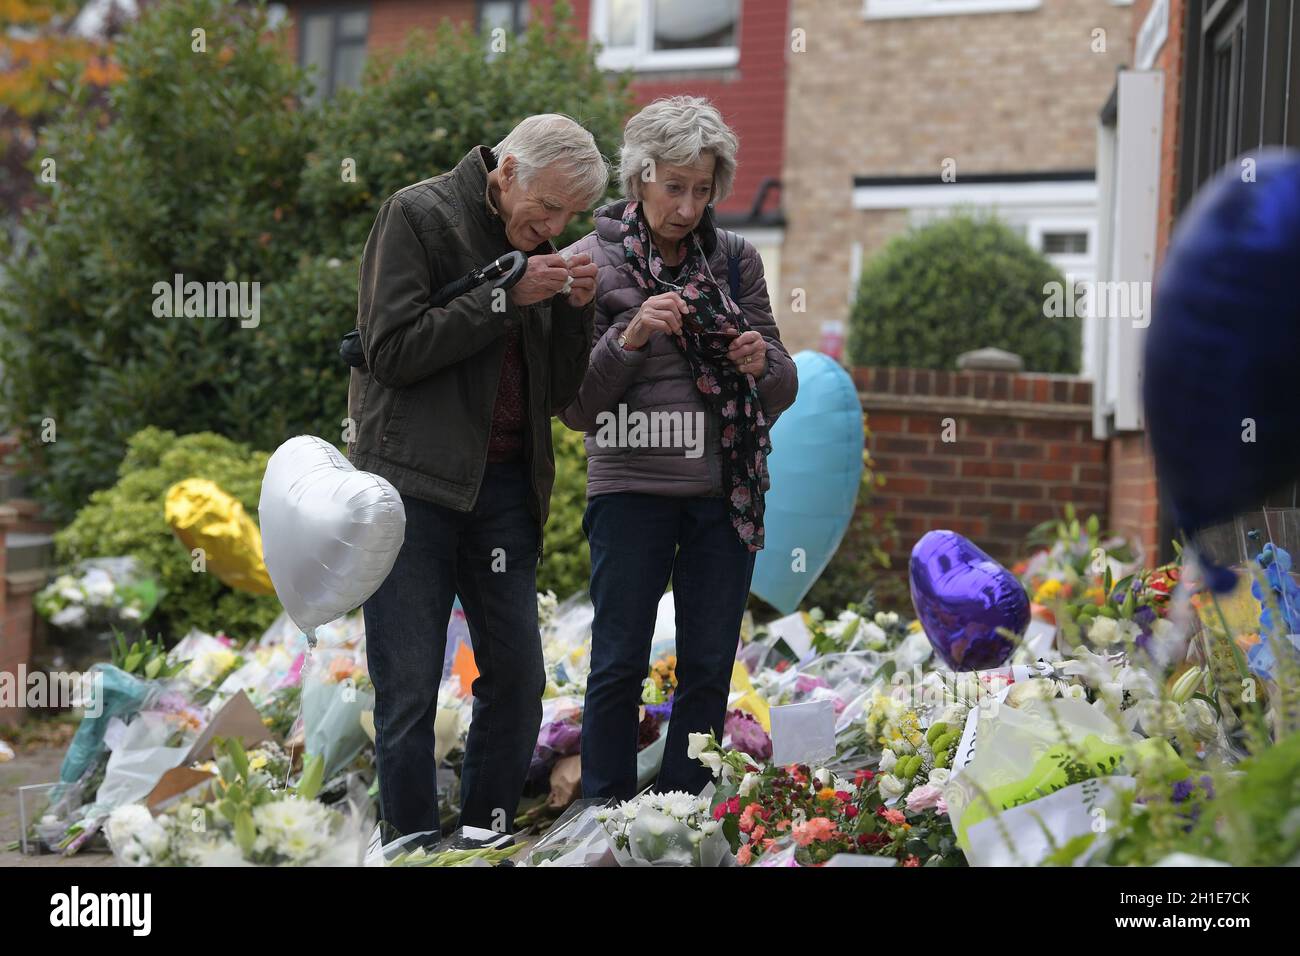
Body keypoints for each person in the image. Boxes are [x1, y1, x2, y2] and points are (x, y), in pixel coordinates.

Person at [346, 114, 607, 839]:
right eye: (547, 206)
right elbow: (391, 350)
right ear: (508, 170)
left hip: (503, 495)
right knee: (407, 692)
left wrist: (577, 313)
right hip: (412, 488)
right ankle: (410, 848)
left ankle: (482, 838)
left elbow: (558, 396)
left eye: (568, 215)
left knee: (519, 681)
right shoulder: (417, 214)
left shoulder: (541, 247)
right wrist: (502, 298)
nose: (554, 225)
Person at [559, 96, 799, 800]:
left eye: (702, 190)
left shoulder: (735, 261)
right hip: (630, 490)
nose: (688, 207)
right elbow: (576, 408)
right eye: (675, 187)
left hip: (725, 494)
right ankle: (602, 812)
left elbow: (782, 384)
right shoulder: (586, 263)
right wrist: (630, 337)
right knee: (617, 664)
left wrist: (762, 363)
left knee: (707, 667)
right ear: (639, 178)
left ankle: (680, 815)